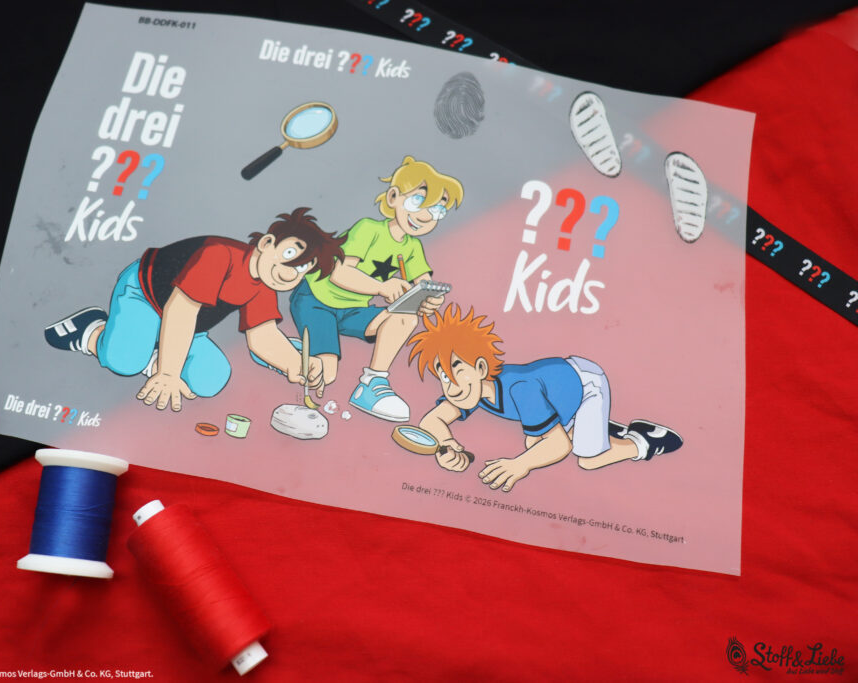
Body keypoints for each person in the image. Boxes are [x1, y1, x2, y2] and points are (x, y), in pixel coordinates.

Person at [44, 207, 346, 412]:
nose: (291, 272)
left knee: (211, 380)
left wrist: (296, 364)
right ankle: (93, 330)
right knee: (124, 362)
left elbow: (263, 336)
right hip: (144, 297)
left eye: (303, 269)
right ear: (267, 243)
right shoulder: (219, 255)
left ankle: (155, 350)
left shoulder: (264, 286)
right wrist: (168, 373)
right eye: (290, 256)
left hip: (191, 328)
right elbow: (181, 311)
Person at [408, 304, 684, 491]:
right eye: (443, 376)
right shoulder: (472, 389)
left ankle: (644, 440)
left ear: (480, 368)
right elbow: (432, 421)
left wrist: (520, 465)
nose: (451, 386)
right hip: (557, 397)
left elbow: (559, 446)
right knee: (535, 441)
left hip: (585, 384)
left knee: (588, 459)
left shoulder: (519, 390)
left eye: (456, 372)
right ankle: (596, 428)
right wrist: (447, 446)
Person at [289, 156, 463, 422]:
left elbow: (423, 282)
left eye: (438, 210)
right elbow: (339, 272)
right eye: (418, 201)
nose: (425, 216)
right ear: (393, 197)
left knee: (405, 316)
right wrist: (382, 287)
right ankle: (284, 350)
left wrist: (429, 299)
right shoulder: (368, 229)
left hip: (352, 310)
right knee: (327, 373)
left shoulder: (413, 247)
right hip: (316, 300)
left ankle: (372, 384)